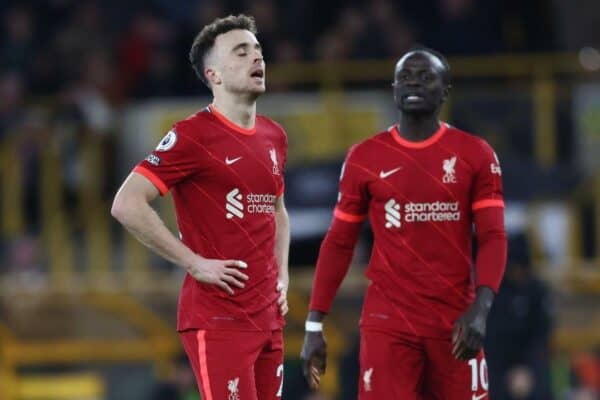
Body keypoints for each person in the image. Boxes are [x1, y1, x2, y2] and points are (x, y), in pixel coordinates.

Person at [300, 47, 507, 399]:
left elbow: (493, 236)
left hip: (454, 318)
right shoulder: (365, 157)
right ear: (394, 89)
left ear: (445, 91)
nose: (414, 83)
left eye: (425, 77)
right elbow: (339, 242)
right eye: (405, 77)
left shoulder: (475, 154)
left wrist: (481, 310)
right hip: (389, 320)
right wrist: (313, 323)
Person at [111, 14, 289, 400]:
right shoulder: (192, 135)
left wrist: (283, 277)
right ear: (214, 75)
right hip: (218, 317)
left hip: (268, 317)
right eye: (241, 52)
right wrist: (194, 263)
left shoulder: (274, 136)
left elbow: (278, 212)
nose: (256, 58)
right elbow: (126, 203)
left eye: (257, 50)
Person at [485, 233, 554, 400]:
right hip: (498, 367)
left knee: (540, 388)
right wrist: (507, 375)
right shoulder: (493, 294)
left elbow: (541, 334)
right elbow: (491, 337)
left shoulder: (537, 291)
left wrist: (526, 368)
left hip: (531, 366)